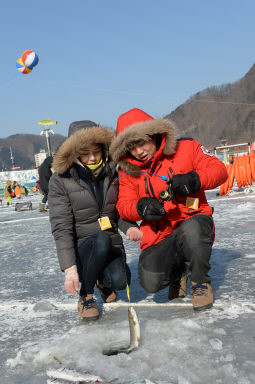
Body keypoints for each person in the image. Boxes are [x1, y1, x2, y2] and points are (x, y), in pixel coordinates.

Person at [109, 108, 228, 311]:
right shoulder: (127, 170)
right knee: (150, 281)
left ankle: (200, 281)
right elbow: (123, 206)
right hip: (159, 235)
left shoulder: (186, 147)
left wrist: (194, 179)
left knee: (192, 232)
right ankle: (178, 272)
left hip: (193, 220)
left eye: (142, 143)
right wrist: (141, 207)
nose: (139, 151)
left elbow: (219, 170)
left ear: (154, 134)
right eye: (131, 147)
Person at [48, 120, 142, 321]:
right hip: (83, 249)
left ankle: (102, 282)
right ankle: (86, 295)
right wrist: (70, 269)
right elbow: (61, 227)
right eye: (85, 153)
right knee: (100, 240)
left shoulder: (112, 172)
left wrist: (130, 227)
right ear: (74, 152)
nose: (92, 158)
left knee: (121, 280)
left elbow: (118, 212)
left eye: (97, 152)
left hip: (110, 244)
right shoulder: (60, 180)